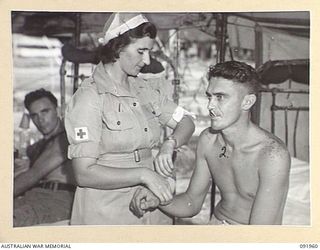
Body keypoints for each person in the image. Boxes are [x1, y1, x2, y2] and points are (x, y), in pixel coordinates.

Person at [64, 12, 195, 225]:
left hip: (151, 201)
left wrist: (170, 144)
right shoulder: (90, 97)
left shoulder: (145, 89)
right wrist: (143, 174)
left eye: (149, 51)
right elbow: (84, 173)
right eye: (141, 51)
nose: (147, 60)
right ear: (117, 48)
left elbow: (187, 120)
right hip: (107, 212)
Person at [130, 61, 291, 225]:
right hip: (216, 223)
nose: (210, 106)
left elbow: (261, 235)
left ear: (247, 102)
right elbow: (191, 202)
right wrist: (160, 201)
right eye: (210, 96)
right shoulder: (209, 140)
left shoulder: (272, 155)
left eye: (220, 97)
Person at [14, 88, 76, 227]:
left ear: (58, 111)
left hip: (56, 199)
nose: (40, 120)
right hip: (35, 196)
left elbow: (31, 176)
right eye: (34, 115)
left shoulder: (65, 139)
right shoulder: (38, 146)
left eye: (45, 112)